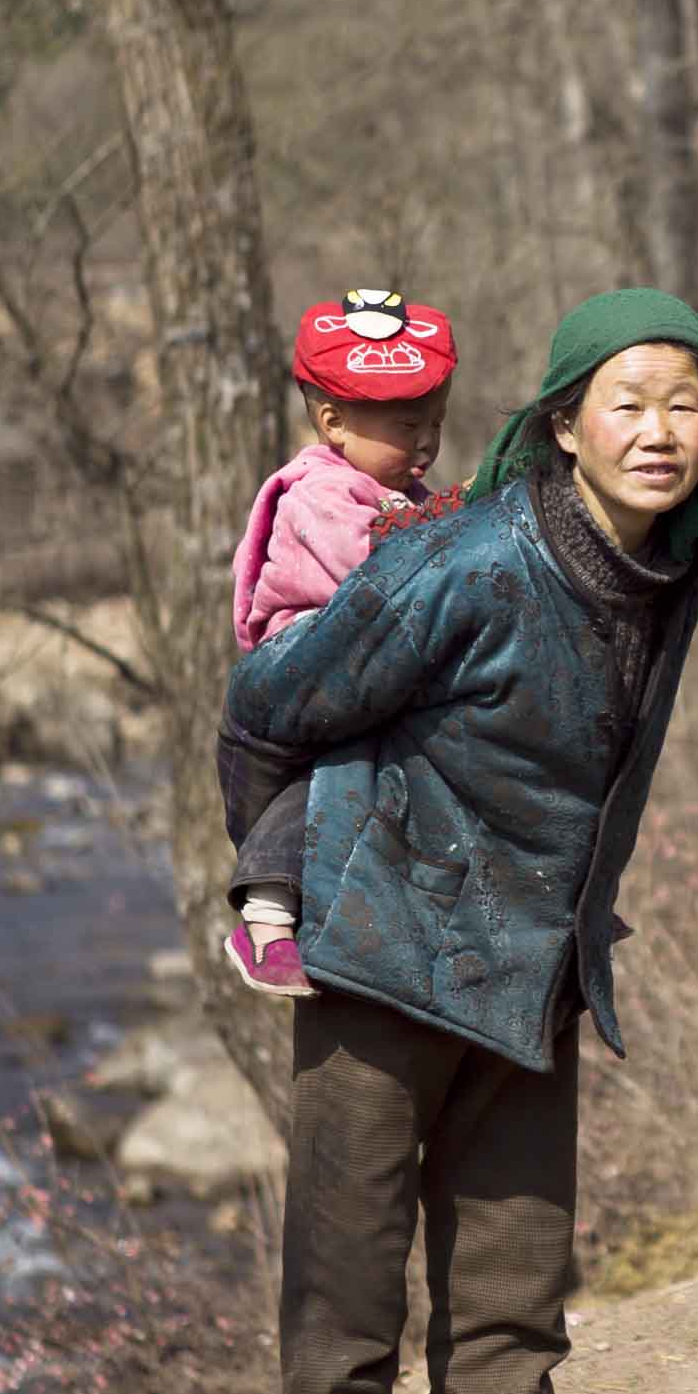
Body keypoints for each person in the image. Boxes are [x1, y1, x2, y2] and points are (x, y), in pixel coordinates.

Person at [219, 289, 698, 1394]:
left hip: (531, 978)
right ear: (566, 421)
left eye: (687, 403)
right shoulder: (463, 559)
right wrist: (272, 887)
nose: (660, 431)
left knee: (515, 1306)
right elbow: (272, 701)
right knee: (344, 1317)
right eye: (629, 402)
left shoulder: (676, 568)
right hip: (380, 966)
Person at [223, 288, 459, 999]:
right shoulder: (321, 492)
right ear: (332, 421)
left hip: (371, 653)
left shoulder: (397, 489)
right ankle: (264, 916)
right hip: (308, 659)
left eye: (436, 423)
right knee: (333, 767)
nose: (425, 442)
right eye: (408, 423)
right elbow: (373, 574)